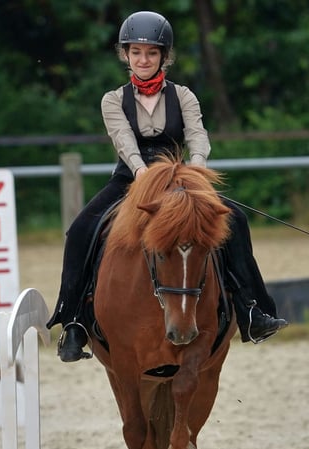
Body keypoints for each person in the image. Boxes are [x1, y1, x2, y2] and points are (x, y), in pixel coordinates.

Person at [46, 10, 287, 362]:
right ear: (125, 55)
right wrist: (142, 172)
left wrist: (198, 168)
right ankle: (73, 321)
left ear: (164, 57)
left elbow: (197, 136)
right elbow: (123, 140)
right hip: (132, 178)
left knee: (235, 219)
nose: (144, 59)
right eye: (136, 52)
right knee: (80, 230)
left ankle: (252, 310)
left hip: (180, 178)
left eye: (152, 53)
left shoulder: (184, 95)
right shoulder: (113, 100)